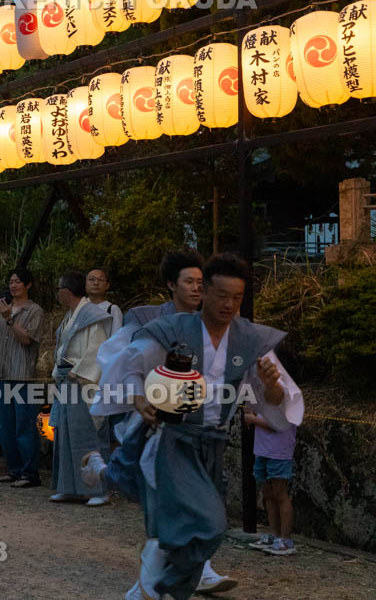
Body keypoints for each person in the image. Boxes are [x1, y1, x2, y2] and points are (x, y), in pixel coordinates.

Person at [83, 253, 303, 600]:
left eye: (237, 298)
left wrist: (271, 383)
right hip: (173, 439)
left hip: (212, 444)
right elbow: (129, 365)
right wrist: (139, 398)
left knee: (203, 526)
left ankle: (157, 587)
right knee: (201, 522)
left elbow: (276, 400)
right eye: (220, 295)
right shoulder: (171, 328)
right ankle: (156, 583)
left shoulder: (248, 339)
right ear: (205, 293)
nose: (229, 304)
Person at [0, 267, 44, 488]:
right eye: (11, 281)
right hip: (2, 374)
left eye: (18, 281)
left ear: (28, 285)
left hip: (23, 376)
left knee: (25, 425)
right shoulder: (5, 308)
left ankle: (30, 473)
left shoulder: (34, 310)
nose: (13, 285)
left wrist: (9, 319)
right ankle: (13, 470)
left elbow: (27, 340)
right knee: (6, 425)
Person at [49, 270, 112, 506]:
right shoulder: (72, 315)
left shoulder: (91, 316)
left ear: (65, 292)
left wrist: (79, 371)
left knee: (87, 435)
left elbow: (98, 349)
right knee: (65, 435)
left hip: (82, 379)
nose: (57, 293)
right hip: (68, 379)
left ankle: (99, 490)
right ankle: (70, 488)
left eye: (58, 289)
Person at [245, 409, 298, 555]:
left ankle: (286, 539)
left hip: (279, 451)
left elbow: (277, 424)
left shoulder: (284, 391)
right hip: (262, 449)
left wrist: (252, 419)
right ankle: (273, 534)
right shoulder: (261, 391)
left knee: (280, 494)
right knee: (267, 493)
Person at [86, 268, 122, 335]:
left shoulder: (112, 310)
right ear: (85, 283)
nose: (96, 283)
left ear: (107, 285)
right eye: (91, 279)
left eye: (101, 280)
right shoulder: (78, 307)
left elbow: (116, 339)